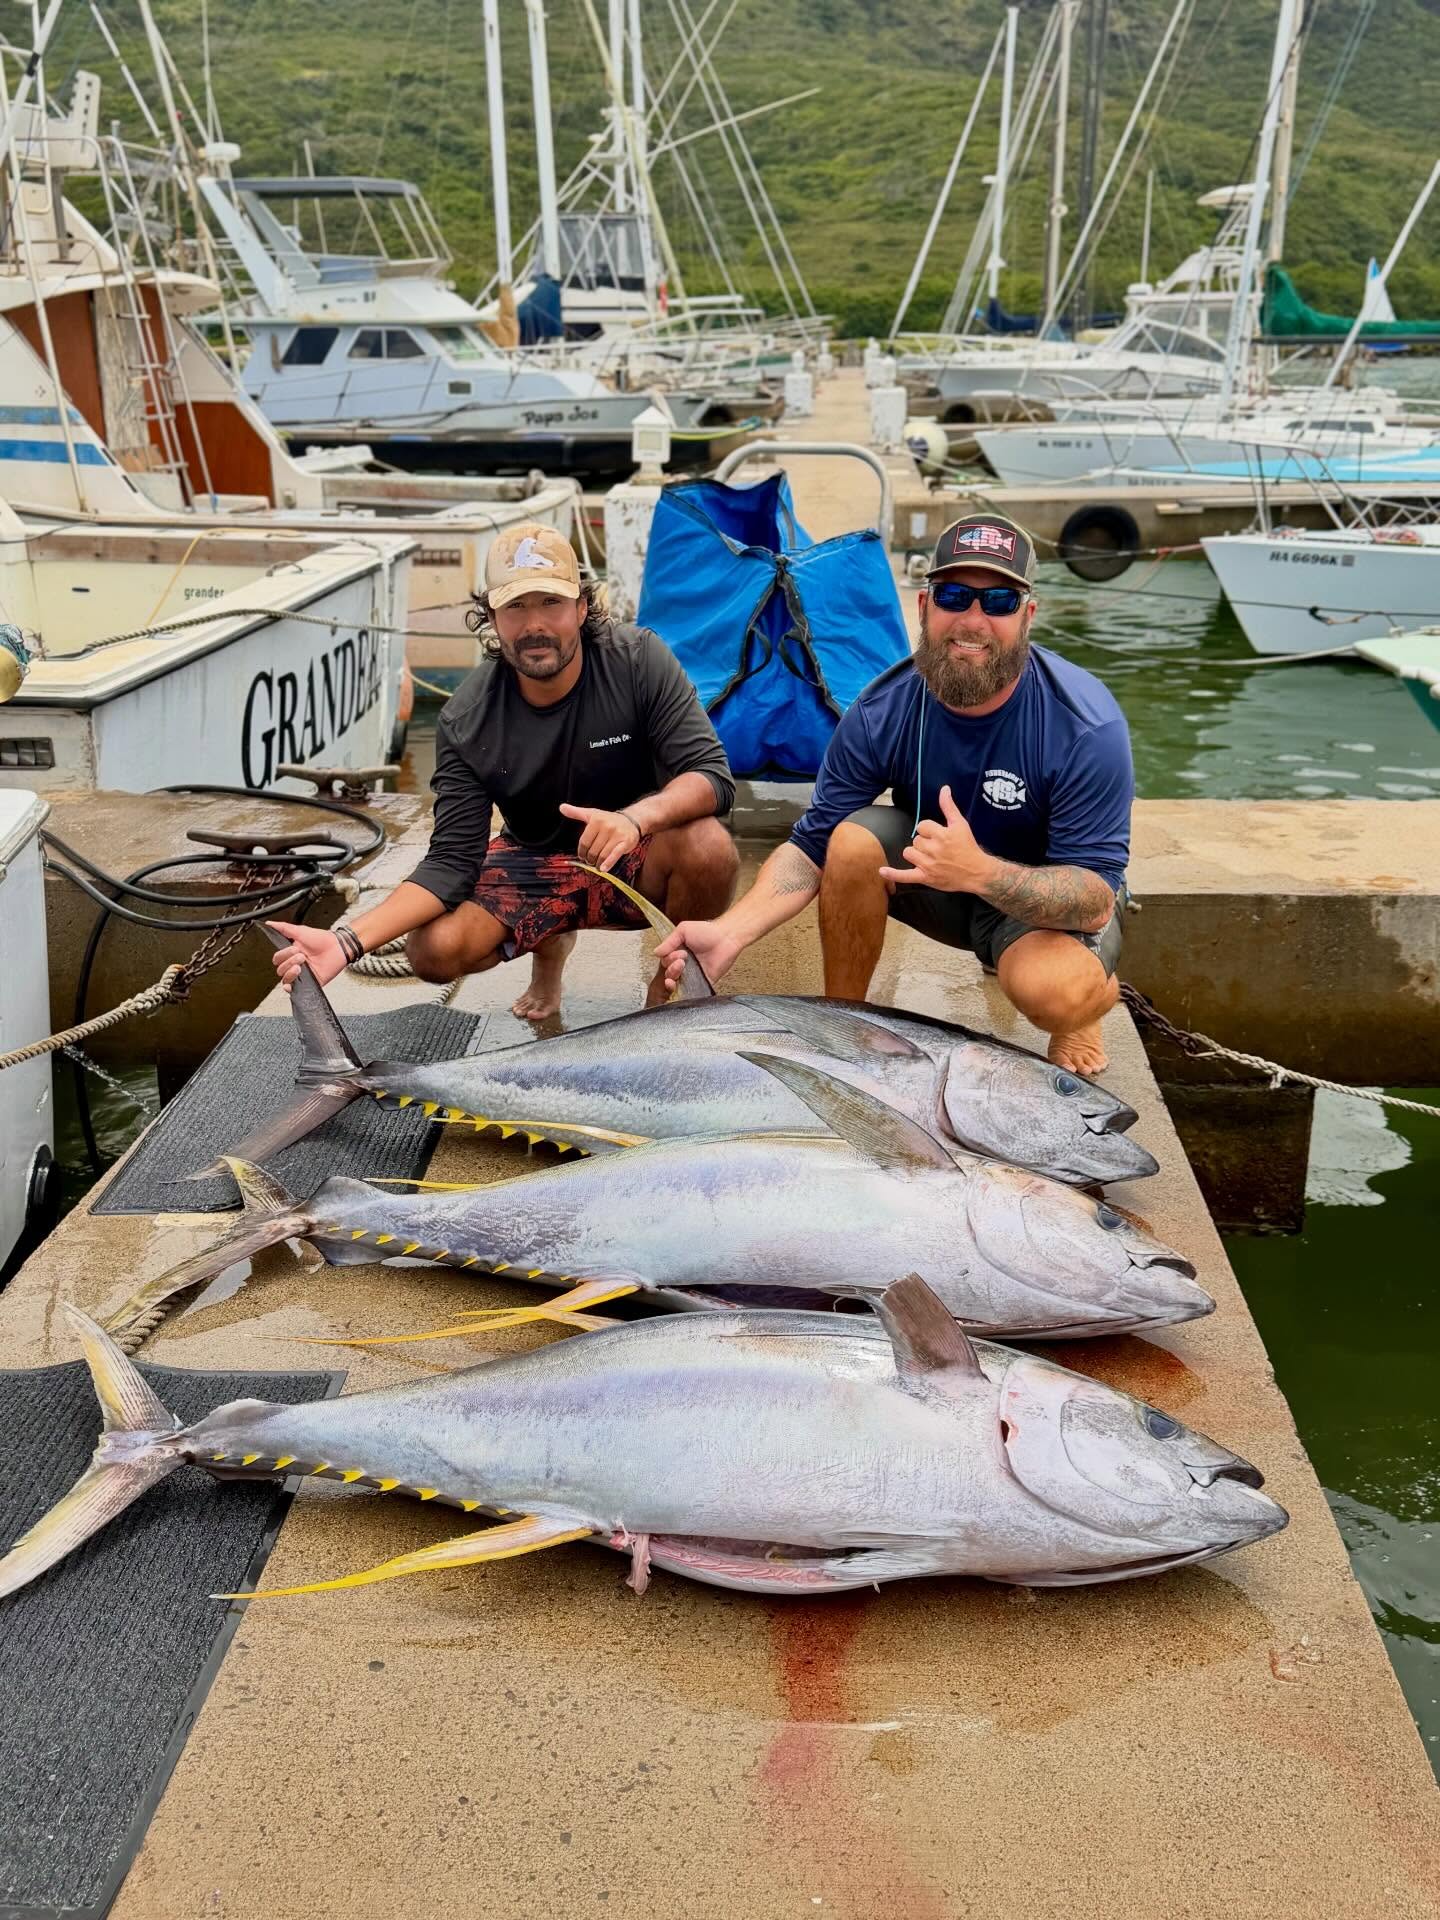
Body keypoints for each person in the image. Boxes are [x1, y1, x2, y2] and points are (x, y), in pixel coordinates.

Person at [655, 512, 1133, 1075]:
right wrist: (730, 932)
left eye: (998, 603)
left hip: (1041, 904)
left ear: (1027, 616)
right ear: (925, 608)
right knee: (851, 842)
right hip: (935, 878)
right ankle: (844, 1025)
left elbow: (1095, 895)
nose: (973, 621)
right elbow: (809, 847)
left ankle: (1085, 1008)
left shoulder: (1084, 722)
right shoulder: (883, 707)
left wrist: (980, 872)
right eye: (955, 596)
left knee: (1052, 993)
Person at [270, 521, 738, 1019]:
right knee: (431, 950)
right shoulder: (466, 718)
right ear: (491, 617)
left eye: (550, 603)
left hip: (632, 846)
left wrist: (636, 819)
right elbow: (451, 863)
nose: (534, 624)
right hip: (533, 855)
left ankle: (671, 988)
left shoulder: (638, 659)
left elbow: (711, 774)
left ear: (581, 608)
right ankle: (550, 947)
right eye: (515, 606)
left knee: (707, 847)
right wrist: (345, 942)